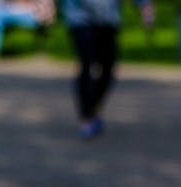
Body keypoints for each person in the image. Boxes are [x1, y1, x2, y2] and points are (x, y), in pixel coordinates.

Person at [63, 0, 154, 139]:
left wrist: (144, 5)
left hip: (108, 19)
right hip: (80, 18)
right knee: (87, 63)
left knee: (109, 67)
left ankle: (93, 108)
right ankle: (86, 117)